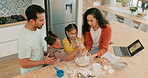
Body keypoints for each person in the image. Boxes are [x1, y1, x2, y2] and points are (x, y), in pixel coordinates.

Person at [17, 5, 56, 74]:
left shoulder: (35, 29)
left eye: (43, 19)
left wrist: (44, 53)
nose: (44, 23)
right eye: (41, 20)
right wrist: (44, 61)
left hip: (39, 69)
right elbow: (23, 64)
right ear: (32, 21)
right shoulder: (25, 39)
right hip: (31, 74)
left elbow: (35, 48)